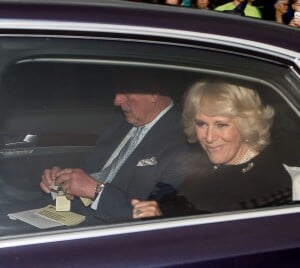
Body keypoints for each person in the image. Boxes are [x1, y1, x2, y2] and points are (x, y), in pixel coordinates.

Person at [40, 70, 190, 223]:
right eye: (117, 92)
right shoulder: (120, 125)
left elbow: (154, 216)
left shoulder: (184, 140)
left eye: (125, 92)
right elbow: (93, 174)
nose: (117, 101)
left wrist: (95, 191)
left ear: (153, 93)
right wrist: (62, 181)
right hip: (74, 215)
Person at [132, 80, 296, 219]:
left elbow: (224, 243)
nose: (209, 137)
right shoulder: (200, 162)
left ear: (246, 124)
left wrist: (161, 219)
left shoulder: (268, 181)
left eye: (221, 124)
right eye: (201, 124)